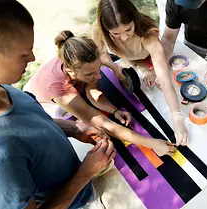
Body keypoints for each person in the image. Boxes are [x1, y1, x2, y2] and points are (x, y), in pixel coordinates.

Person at [0, 0, 115, 209]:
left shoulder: (3, 87)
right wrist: (84, 175)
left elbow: (30, 121)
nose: (33, 59)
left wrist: (73, 127)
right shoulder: (1, 159)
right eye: (24, 55)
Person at [28, 30, 176, 156]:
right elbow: (103, 123)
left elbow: (93, 92)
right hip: (42, 104)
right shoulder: (58, 87)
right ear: (70, 70)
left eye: (99, 68)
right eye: (90, 74)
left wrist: (115, 110)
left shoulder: (83, 63)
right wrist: (152, 143)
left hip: (69, 85)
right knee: (93, 130)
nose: (98, 76)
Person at [91, 0, 189, 146]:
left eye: (128, 29)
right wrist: (114, 67)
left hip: (148, 59)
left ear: (134, 19)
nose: (124, 37)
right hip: (127, 61)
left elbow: (164, 79)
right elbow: (102, 54)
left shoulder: (148, 35)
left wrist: (177, 118)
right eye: (116, 34)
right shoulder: (99, 29)